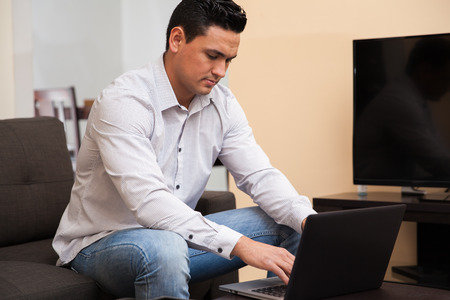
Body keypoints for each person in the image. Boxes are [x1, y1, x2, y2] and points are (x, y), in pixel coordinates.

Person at [53, 0, 316, 299]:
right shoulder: (125, 102)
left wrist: (311, 221)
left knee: (291, 222)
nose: (220, 71)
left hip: (174, 238)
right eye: (213, 55)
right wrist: (243, 245)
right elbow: (150, 203)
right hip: (98, 247)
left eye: (229, 60)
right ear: (176, 39)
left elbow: (260, 175)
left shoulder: (223, 104)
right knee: (166, 247)